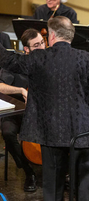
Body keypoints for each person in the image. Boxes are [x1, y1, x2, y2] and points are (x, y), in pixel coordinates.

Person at [0, 16, 89, 200]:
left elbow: (8, 60)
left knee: (53, 186)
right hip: (81, 132)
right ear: (71, 36)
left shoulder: (39, 57)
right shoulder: (85, 58)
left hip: (51, 133)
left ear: (52, 36)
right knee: (83, 186)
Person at [0, 28, 45, 192]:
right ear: (26, 49)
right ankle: (28, 172)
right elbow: (1, 86)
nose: (41, 47)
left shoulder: (49, 63)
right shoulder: (15, 64)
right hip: (18, 113)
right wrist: (20, 90)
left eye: (42, 42)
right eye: (36, 45)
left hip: (41, 114)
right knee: (7, 131)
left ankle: (62, 171)